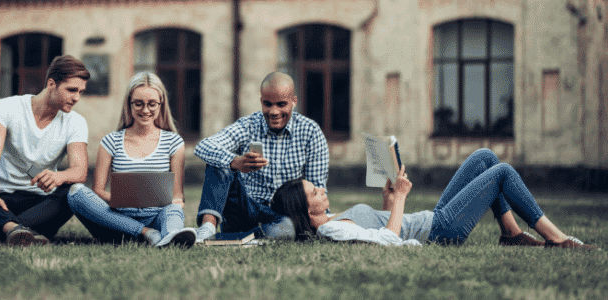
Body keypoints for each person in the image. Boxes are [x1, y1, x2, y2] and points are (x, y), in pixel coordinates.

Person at [271, 148, 600, 249]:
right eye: (313, 192)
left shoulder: (331, 220)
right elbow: (388, 241)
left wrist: (388, 200)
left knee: (484, 158)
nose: (319, 187)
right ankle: (557, 240)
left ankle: (511, 235)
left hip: (432, 218)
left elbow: (380, 227)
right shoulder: (331, 231)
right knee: (503, 173)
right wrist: (400, 198)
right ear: (305, 209)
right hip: (440, 230)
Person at [0, 55, 90, 246]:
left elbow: (80, 171)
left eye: (80, 92)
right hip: (2, 200)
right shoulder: (5, 107)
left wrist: (59, 177)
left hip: (42, 203)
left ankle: (3, 231)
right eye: (71, 90)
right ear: (51, 84)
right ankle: (23, 231)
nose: (76, 98)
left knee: (72, 193)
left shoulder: (76, 122)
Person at [193, 71, 329, 242]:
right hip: (245, 207)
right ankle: (207, 229)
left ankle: (229, 239)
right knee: (218, 161)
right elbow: (203, 146)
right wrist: (235, 161)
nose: (274, 111)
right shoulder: (248, 125)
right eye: (268, 104)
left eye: (281, 104)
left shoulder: (310, 132)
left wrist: (325, 226)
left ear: (294, 101)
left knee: (286, 228)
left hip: (283, 216)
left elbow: (317, 187)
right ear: (261, 101)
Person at [67, 72, 196, 248]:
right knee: (76, 192)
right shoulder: (110, 141)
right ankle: (145, 233)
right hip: (118, 219)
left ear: (161, 104)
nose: (145, 110)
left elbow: (177, 196)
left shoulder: (173, 142)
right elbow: (98, 190)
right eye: (138, 104)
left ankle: (171, 236)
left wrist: (175, 202)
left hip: (156, 216)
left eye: (152, 104)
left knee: (173, 210)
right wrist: (122, 199)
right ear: (129, 104)